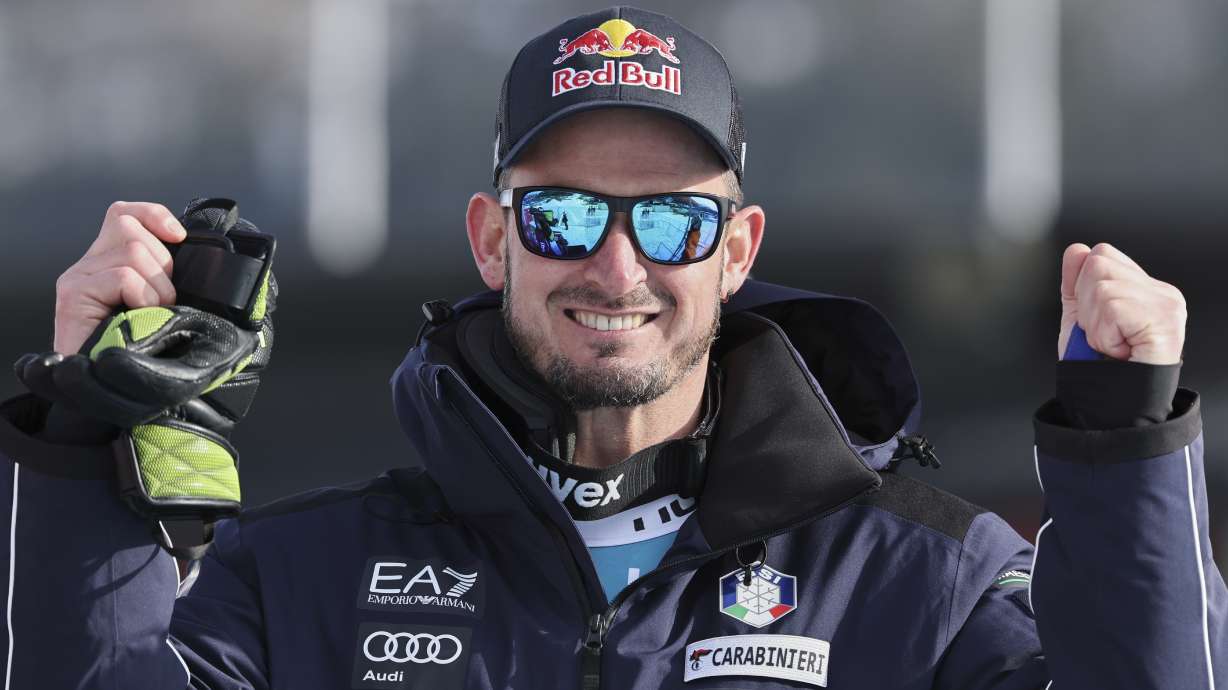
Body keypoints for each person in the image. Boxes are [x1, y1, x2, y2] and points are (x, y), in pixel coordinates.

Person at [1, 6, 1224, 689]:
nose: (619, 267)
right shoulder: (303, 577)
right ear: (495, 240)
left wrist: (1128, 454)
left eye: (675, 221)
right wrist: (86, 442)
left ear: (736, 250)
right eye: (568, 214)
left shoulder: (920, 584)